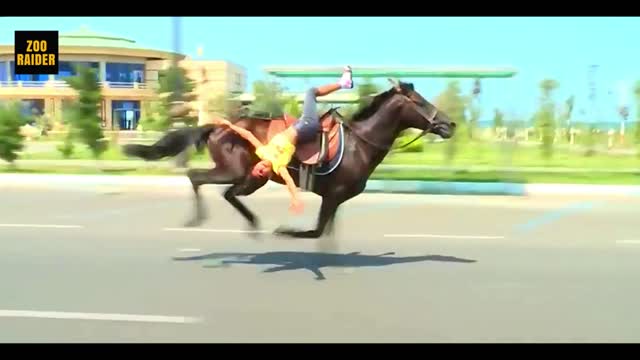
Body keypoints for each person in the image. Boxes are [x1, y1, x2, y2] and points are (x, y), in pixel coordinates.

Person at [213, 66, 354, 214]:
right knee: (311, 92)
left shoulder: (263, 152)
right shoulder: (278, 165)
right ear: (267, 175)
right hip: (306, 126)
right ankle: (344, 83)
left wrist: (228, 124)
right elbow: (290, 182)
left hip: (302, 127)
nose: (260, 167)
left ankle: (343, 83)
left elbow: (249, 135)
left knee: (311, 93)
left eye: (257, 168)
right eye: (262, 172)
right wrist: (295, 199)